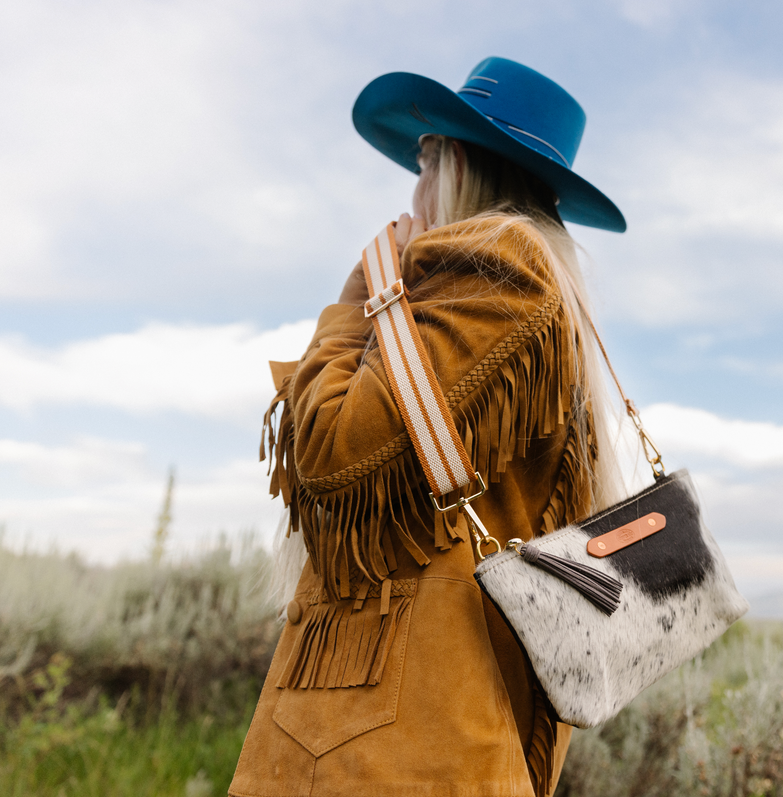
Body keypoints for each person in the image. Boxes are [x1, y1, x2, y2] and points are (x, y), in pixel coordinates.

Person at [230, 57, 627, 797]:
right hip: (402, 736)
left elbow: (333, 453)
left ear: (459, 164)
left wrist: (362, 297)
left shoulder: (498, 272)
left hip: (386, 744)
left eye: (427, 160)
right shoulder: (502, 289)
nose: (414, 191)